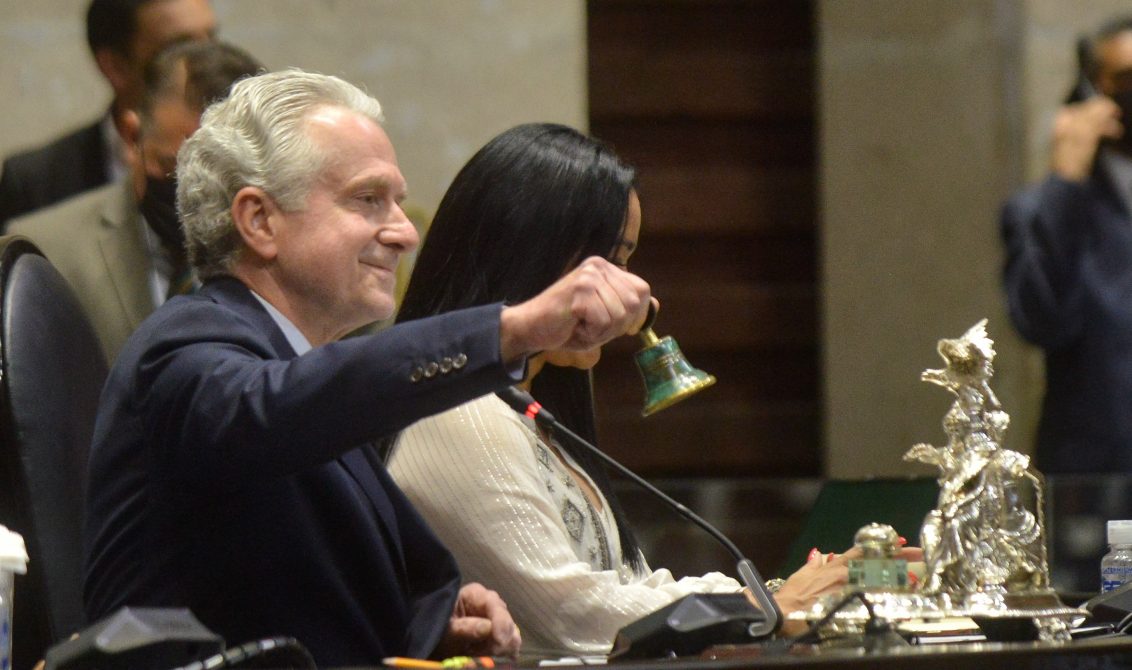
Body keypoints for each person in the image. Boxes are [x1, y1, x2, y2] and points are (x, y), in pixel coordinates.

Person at [82, 70, 652, 667]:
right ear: (259, 221)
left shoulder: (301, 364)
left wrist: (426, 626)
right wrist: (512, 328)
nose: (405, 233)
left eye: (398, 202)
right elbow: (272, 413)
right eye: (367, 199)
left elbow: (289, 586)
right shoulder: (185, 345)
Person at [386, 123, 890, 654]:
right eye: (608, 262)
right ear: (523, 250)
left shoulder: (526, 413)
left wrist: (784, 593)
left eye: (625, 263)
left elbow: (628, 591)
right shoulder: (458, 412)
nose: (634, 296)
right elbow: (579, 617)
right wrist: (767, 605)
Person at [8, 40, 261, 364]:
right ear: (131, 136)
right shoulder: (43, 251)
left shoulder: (290, 251)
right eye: (176, 167)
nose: (195, 193)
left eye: (222, 177)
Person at [1001, 16, 1132, 473]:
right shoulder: (1046, 209)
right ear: (1094, 90)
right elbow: (1042, 321)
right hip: (1096, 482)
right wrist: (1066, 182)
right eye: (1127, 80)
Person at [0, 0, 217, 230]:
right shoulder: (36, 183)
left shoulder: (248, 158)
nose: (211, 64)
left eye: (212, 39)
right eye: (180, 49)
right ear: (115, 67)